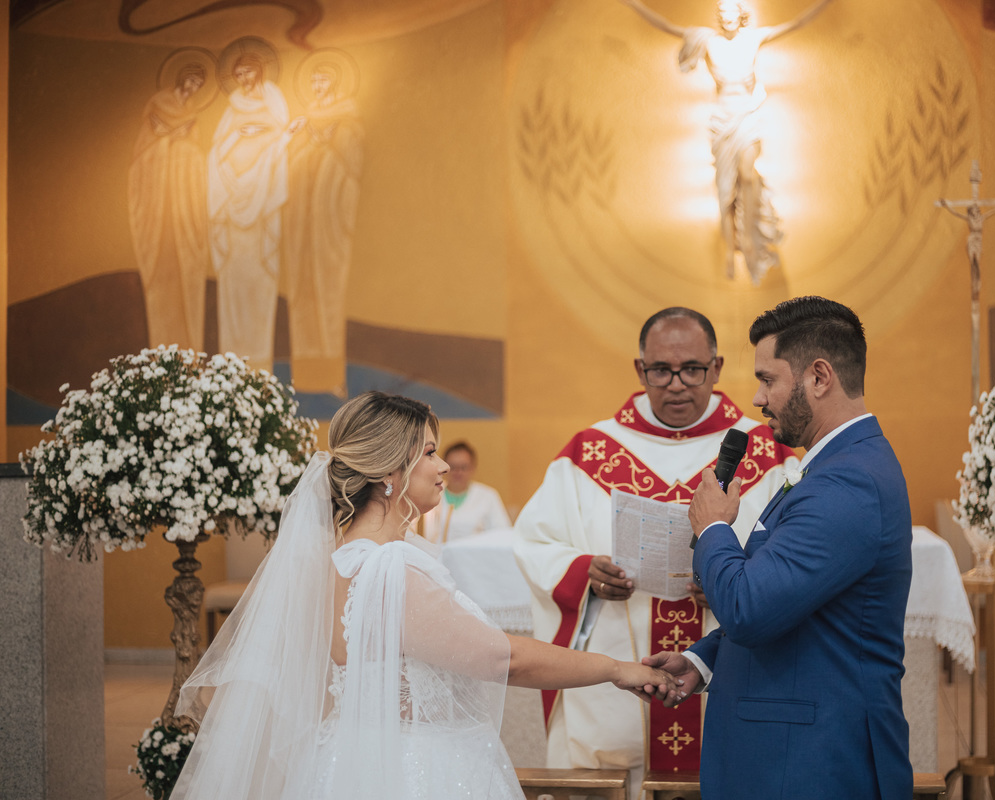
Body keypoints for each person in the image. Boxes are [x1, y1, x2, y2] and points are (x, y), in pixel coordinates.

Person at [171, 392, 675, 799]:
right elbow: (504, 659)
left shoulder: (334, 559)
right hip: (416, 770)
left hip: (346, 759)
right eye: (430, 453)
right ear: (389, 472)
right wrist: (616, 669)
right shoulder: (389, 567)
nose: (443, 467)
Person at [513, 307, 797, 788]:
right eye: (661, 370)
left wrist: (736, 582)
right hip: (614, 691)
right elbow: (535, 542)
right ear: (640, 369)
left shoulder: (767, 450)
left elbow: (793, 552)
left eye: (693, 369)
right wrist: (585, 573)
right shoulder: (588, 452)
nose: (677, 385)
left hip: (724, 666)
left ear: (717, 368)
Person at [642, 296, 913, 799]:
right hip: (792, 752)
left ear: (819, 377)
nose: (758, 398)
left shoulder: (848, 482)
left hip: (812, 761)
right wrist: (704, 660)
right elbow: (799, 607)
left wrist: (713, 527)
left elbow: (750, 609)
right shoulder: (834, 468)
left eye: (768, 380)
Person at [620, 0, 834, 284]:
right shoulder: (708, 41)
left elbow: (796, 23)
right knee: (725, 191)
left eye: (731, 11)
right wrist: (633, 4)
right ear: (718, 18)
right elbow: (665, 25)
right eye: (722, 12)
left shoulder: (754, 39)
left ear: (741, 15)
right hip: (722, 119)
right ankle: (729, 250)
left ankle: (749, 239)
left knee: (748, 174)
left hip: (748, 115)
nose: (727, 17)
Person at [283, 53, 364, 395]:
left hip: (328, 224)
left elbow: (351, 163)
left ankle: (332, 376)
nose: (318, 85)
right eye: (314, 80)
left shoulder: (348, 120)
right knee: (301, 293)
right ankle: (304, 376)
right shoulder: (304, 121)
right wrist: (309, 145)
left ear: (335, 82)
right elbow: (290, 162)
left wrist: (327, 146)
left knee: (328, 294)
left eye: (323, 79)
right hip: (302, 225)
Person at [208, 40, 291, 371]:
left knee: (260, 286)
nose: (243, 79)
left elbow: (281, 147)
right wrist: (239, 137)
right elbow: (216, 154)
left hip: (262, 216)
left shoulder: (274, 105)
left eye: (247, 72)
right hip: (231, 212)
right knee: (233, 288)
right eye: (238, 74)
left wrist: (263, 155)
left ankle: (259, 363)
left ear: (259, 72)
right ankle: (231, 364)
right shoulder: (231, 110)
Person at [128, 60, 210, 352]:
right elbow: (143, 155)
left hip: (183, 214)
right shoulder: (159, 103)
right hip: (159, 212)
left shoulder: (192, 114)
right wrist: (168, 143)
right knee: (162, 285)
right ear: (181, 78)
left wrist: (183, 148)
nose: (192, 88)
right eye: (190, 81)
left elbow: (197, 157)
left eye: (198, 85)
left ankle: (189, 350)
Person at [420, 440, 510, 543]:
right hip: (436, 552)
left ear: (472, 468)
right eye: (453, 467)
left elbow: (502, 533)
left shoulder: (488, 496)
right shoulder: (431, 492)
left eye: (463, 467)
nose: (458, 472)